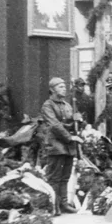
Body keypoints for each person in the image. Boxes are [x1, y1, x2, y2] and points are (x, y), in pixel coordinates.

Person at [41, 77, 83, 215]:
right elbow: (54, 125)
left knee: (65, 176)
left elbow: (70, 124)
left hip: (68, 146)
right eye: (60, 87)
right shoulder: (47, 105)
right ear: (52, 90)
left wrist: (78, 120)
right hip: (56, 144)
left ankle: (64, 203)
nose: (64, 88)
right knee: (54, 176)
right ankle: (53, 204)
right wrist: (70, 137)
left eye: (64, 86)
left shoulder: (68, 105)